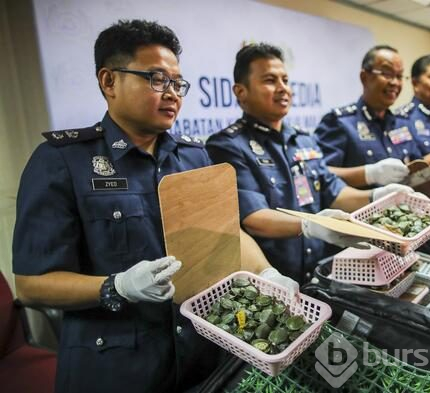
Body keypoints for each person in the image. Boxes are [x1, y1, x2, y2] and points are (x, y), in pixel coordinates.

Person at [12, 20, 297, 393]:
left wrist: (267, 273)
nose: (172, 94)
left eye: (177, 83)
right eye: (156, 79)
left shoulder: (195, 157)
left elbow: (226, 235)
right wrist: (117, 286)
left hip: (202, 356)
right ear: (109, 82)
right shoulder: (63, 162)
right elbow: (33, 284)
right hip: (118, 368)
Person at [206, 43, 414, 284]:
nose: (283, 88)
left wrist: (378, 196)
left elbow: (333, 192)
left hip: (321, 274)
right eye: (270, 80)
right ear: (241, 92)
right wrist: (310, 225)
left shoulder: (304, 140)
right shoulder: (228, 146)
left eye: (285, 80)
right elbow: (254, 218)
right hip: (269, 280)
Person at [313, 45, 422, 188]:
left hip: (402, 207)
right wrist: (369, 174)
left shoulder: (401, 122)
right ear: (364, 77)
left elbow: (416, 166)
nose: (395, 82)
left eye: (399, 76)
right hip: (360, 207)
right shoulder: (340, 122)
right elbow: (319, 173)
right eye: (387, 73)